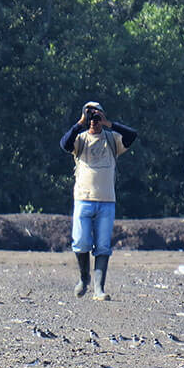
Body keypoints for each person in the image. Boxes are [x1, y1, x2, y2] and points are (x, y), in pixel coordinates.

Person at [60, 101, 137, 300]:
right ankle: (83, 278)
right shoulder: (81, 140)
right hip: (83, 199)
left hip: (107, 201)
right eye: (91, 116)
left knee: (103, 245)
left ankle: (98, 289)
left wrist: (109, 123)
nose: (94, 120)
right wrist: (80, 122)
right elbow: (64, 144)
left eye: (97, 116)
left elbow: (132, 135)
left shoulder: (112, 140)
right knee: (80, 241)